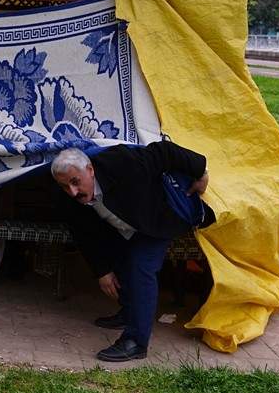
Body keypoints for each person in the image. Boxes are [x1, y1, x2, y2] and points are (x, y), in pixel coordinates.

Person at [50, 142, 213, 363]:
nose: (72, 191)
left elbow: (164, 151)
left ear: (90, 170)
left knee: (140, 267)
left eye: (75, 182)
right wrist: (102, 271)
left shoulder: (121, 162)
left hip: (156, 220)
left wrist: (201, 171)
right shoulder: (68, 197)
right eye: (64, 186)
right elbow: (82, 234)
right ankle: (129, 311)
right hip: (121, 227)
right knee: (115, 256)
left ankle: (136, 341)